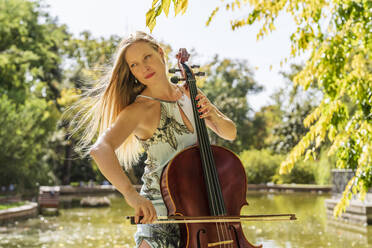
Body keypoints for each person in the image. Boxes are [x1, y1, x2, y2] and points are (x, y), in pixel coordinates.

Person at [73, 31, 237, 248]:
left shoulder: (190, 93)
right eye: (134, 65)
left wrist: (213, 114)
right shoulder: (140, 109)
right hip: (160, 216)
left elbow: (230, 133)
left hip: (201, 209)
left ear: (160, 53)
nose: (143, 68)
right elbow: (100, 149)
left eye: (147, 57)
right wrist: (131, 195)